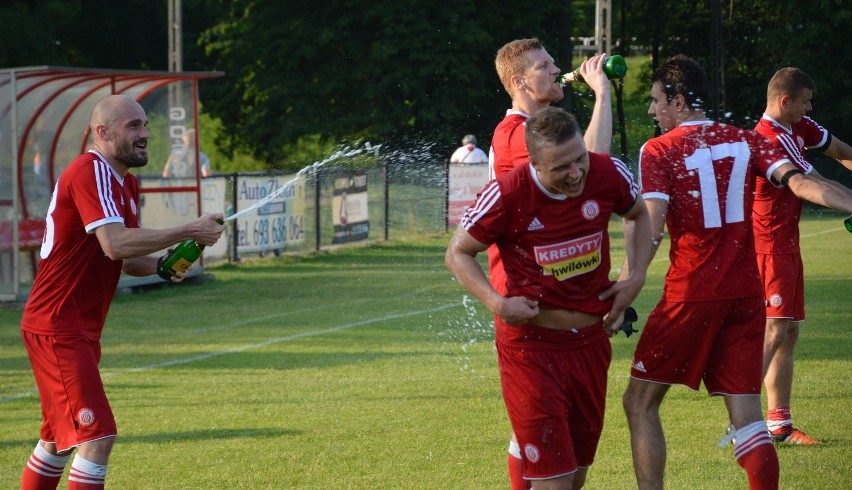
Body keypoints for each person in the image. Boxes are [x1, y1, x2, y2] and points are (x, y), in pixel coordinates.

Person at [621, 55, 852, 490]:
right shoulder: (747, 139)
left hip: (690, 293)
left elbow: (651, 230)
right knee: (747, 416)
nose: (651, 111)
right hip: (746, 294)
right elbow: (801, 183)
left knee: (640, 403)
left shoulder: (658, 149)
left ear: (679, 99)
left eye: (655, 100)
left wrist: (625, 286)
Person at [19, 94, 224, 489]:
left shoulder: (125, 183)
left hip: (75, 326)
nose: (145, 134)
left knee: (56, 441)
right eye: (133, 126)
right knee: (98, 436)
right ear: (103, 132)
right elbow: (115, 243)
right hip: (58, 324)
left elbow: (125, 258)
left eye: (145, 124)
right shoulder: (89, 171)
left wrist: (164, 267)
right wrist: (188, 229)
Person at [446, 106, 652, 489]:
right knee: (554, 481)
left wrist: (635, 276)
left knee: (574, 476)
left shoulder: (607, 172)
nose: (575, 173)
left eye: (579, 160)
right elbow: (457, 253)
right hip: (531, 351)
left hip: (591, 345)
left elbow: (639, 214)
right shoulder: (508, 193)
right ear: (535, 164)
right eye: (561, 168)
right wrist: (497, 302)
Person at [488, 37, 615, 489]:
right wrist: (602, 93)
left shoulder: (542, 130)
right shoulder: (513, 135)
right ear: (520, 81)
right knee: (546, 449)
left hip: (568, 301)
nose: (557, 69)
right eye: (545, 66)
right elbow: (595, 166)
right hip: (531, 310)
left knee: (559, 450)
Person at [753, 67, 852, 445]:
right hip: (767, 247)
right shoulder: (765, 139)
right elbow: (806, 185)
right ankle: (741, 423)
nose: (810, 107)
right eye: (805, 101)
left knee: (788, 332)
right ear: (785, 101)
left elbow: (841, 153)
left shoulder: (799, 127)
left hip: (787, 244)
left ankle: (779, 425)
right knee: (774, 329)